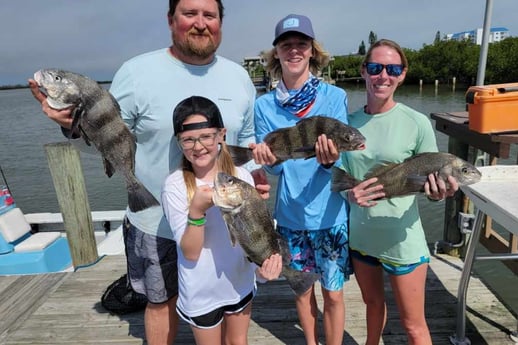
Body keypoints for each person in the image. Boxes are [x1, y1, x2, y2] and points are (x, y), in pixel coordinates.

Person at [28, 1, 267, 344]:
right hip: (152, 221)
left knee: (233, 302)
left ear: (220, 22)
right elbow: (104, 134)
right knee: (159, 303)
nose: (200, 23)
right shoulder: (136, 72)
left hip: (222, 222)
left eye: (209, 15)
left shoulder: (239, 77)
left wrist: (255, 176)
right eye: (189, 14)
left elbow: (245, 141)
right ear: (171, 20)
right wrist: (74, 127)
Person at [339, 39, 459, 345]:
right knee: (372, 306)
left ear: (402, 74)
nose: (383, 76)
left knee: (413, 324)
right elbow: (338, 181)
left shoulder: (416, 122)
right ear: (363, 71)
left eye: (392, 69)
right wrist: (348, 196)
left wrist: (438, 192)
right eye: (376, 68)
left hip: (402, 238)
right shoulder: (347, 124)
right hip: (362, 235)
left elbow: (432, 181)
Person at [251, 14, 351, 345]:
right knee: (303, 292)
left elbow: (339, 155)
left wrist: (329, 160)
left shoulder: (335, 97)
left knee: (333, 295)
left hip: (330, 215)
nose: (294, 50)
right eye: (286, 44)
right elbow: (277, 168)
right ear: (276, 53)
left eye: (301, 44)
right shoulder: (264, 105)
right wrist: (269, 163)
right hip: (291, 216)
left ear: (312, 51)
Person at [161, 96, 281, 345]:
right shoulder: (175, 186)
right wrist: (196, 212)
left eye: (206, 136)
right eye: (188, 140)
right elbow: (191, 253)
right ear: (179, 143)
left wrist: (263, 267)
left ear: (221, 135)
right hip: (201, 291)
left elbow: (256, 231)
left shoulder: (241, 176)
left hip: (239, 282)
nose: (198, 146)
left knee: (239, 341)